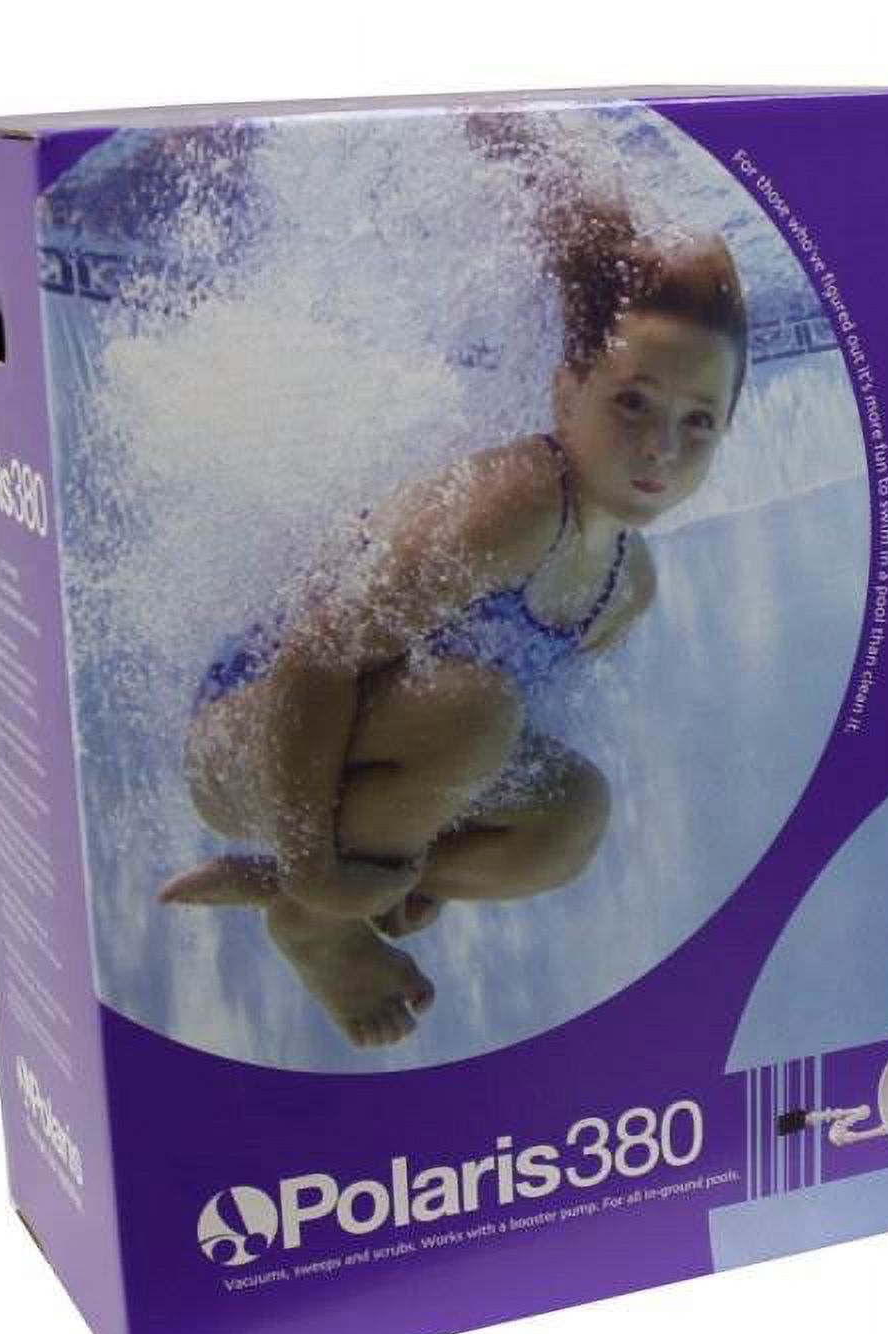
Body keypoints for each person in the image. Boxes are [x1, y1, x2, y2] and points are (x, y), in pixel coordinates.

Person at [160, 188, 749, 1049]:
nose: (662, 446)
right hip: (251, 733)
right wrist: (314, 862)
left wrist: (401, 869)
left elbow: (461, 773)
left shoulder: (627, 589)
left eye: (699, 421)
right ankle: (318, 919)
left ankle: (310, 891)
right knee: (475, 709)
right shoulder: (517, 506)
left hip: (363, 763)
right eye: (633, 403)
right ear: (566, 394)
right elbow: (316, 658)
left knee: (573, 815)